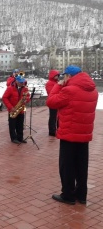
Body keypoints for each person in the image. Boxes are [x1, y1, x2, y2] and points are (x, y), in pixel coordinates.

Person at [47, 65, 98, 205]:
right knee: (82, 165)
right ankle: (81, 195)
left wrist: (58, 85)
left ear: (69, 76)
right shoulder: (93, 90)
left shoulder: (69, 90)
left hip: (69, 134)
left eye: (65, 76)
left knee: (67, 166)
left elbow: (51, 102)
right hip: (84, 134)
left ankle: (68, 195)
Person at [2, 75, 30, 144]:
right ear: (16, 81)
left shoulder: (25, 89)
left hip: (21, 109)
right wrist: (11, 107)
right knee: (12, 125)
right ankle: (13, 138)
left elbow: (28, 96)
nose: (22, 83)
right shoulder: (10, 88)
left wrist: (26, 100)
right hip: (13, 109)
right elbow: (4, 98)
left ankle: (20, 138)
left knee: (20, 125)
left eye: (22, 82)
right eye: (20, 82)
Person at [45, 70, 60, 137]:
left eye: (58, 75)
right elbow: (51, 92)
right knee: (53, 116)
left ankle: (58, 129)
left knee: (58, 116)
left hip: (57, 101)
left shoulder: (56, 82)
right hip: (53, 101)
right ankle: (52, 131)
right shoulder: (49, 83)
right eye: (56, 75)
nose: (57, 77)